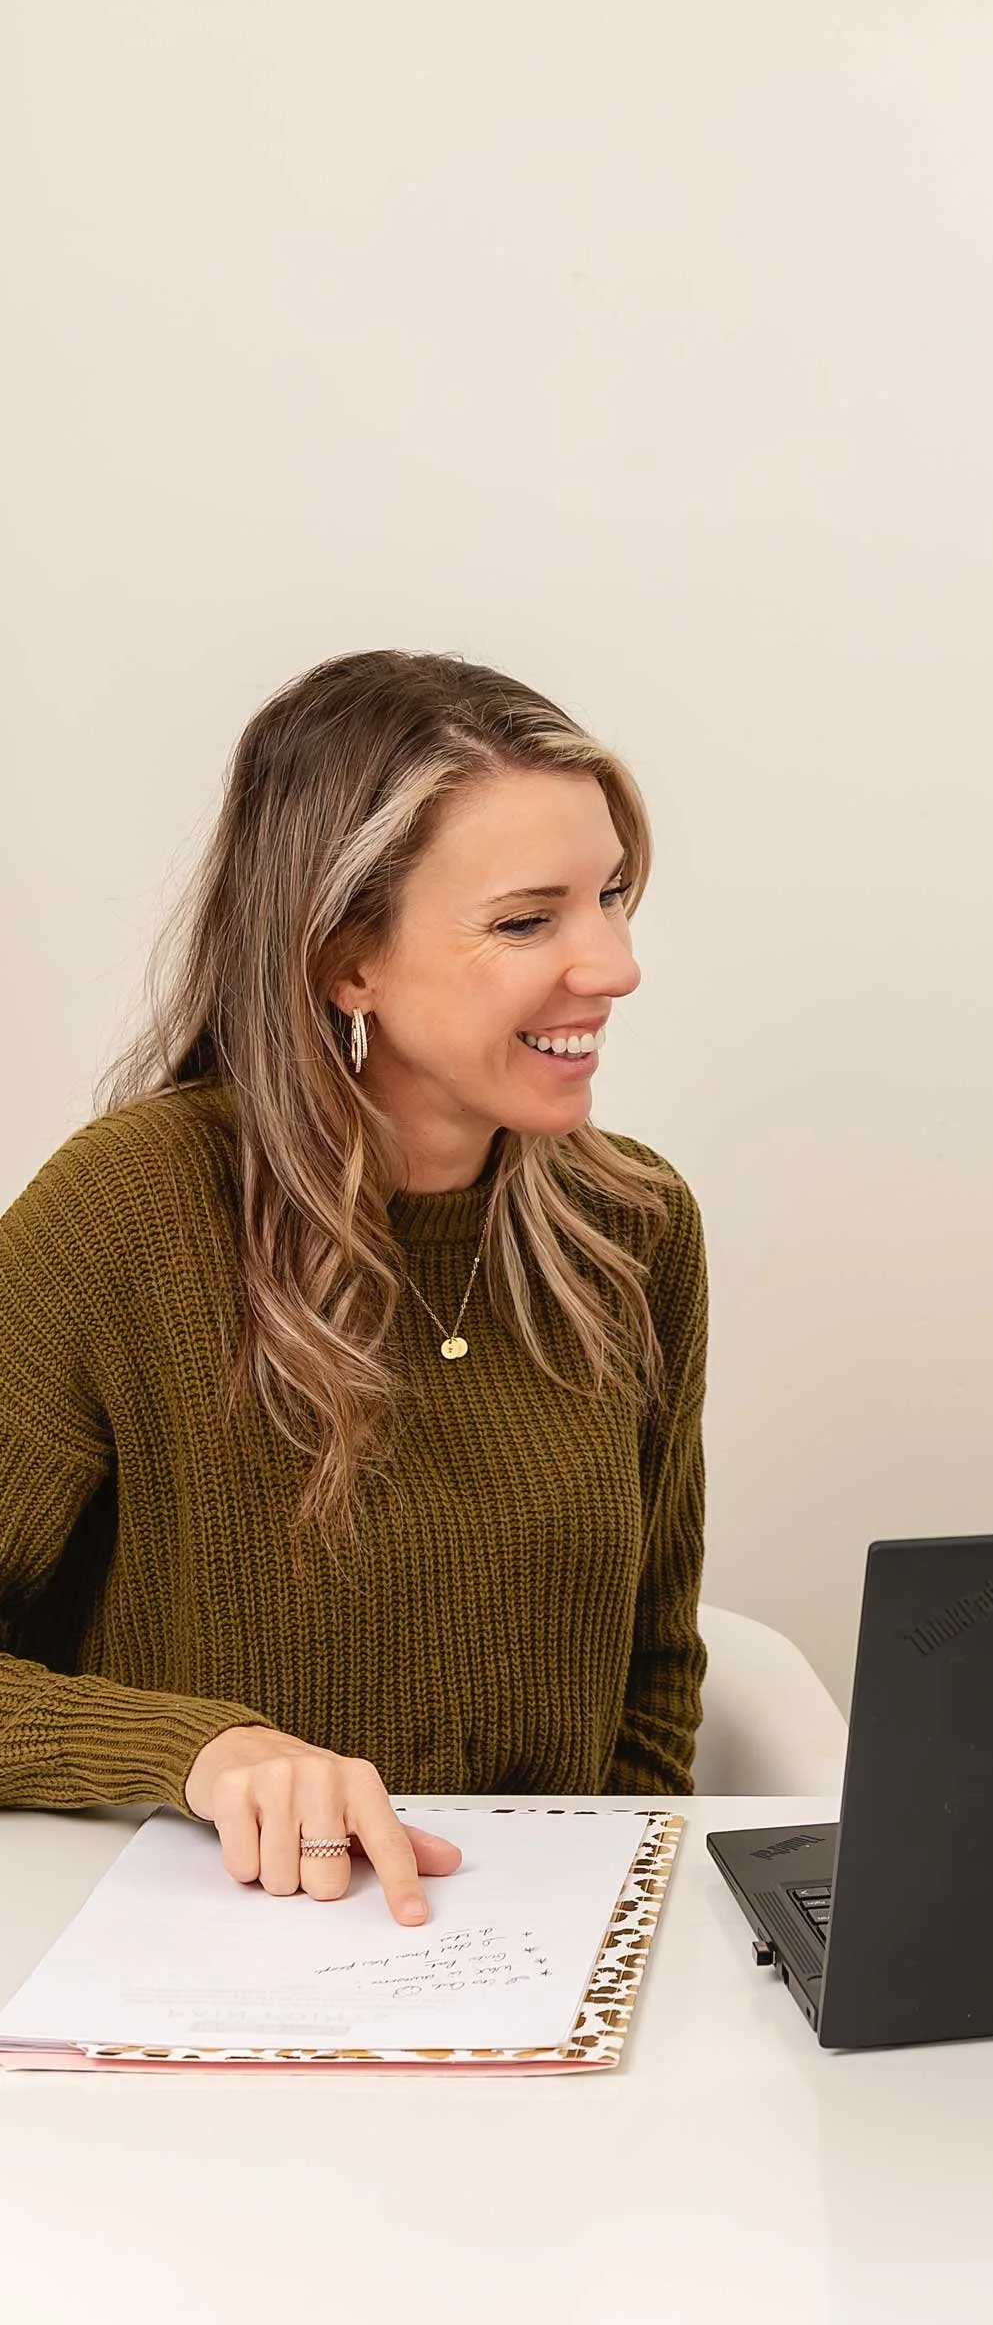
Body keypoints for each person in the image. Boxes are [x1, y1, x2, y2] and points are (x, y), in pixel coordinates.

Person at [0, 651, 706, 1925]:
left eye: (610, 897)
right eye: (527, 919)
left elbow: (652, 1668)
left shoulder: (633, 1229)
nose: (611, 966)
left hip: (528, 1966)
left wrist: (622, 1924)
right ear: (345, 961)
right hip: (208, 1953)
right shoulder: (131, 1215)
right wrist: (199, 1752)